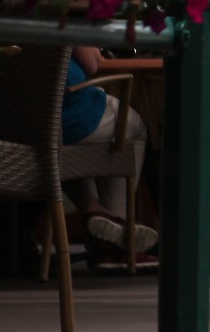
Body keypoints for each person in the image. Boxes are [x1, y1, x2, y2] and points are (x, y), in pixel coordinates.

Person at [63, 44, 156, 253]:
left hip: (19, 120)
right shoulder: (60, 12)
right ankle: (116, 238)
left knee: (59, 147)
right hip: (70, 111)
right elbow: (92, 63)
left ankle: (94, 209)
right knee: (133, 128)